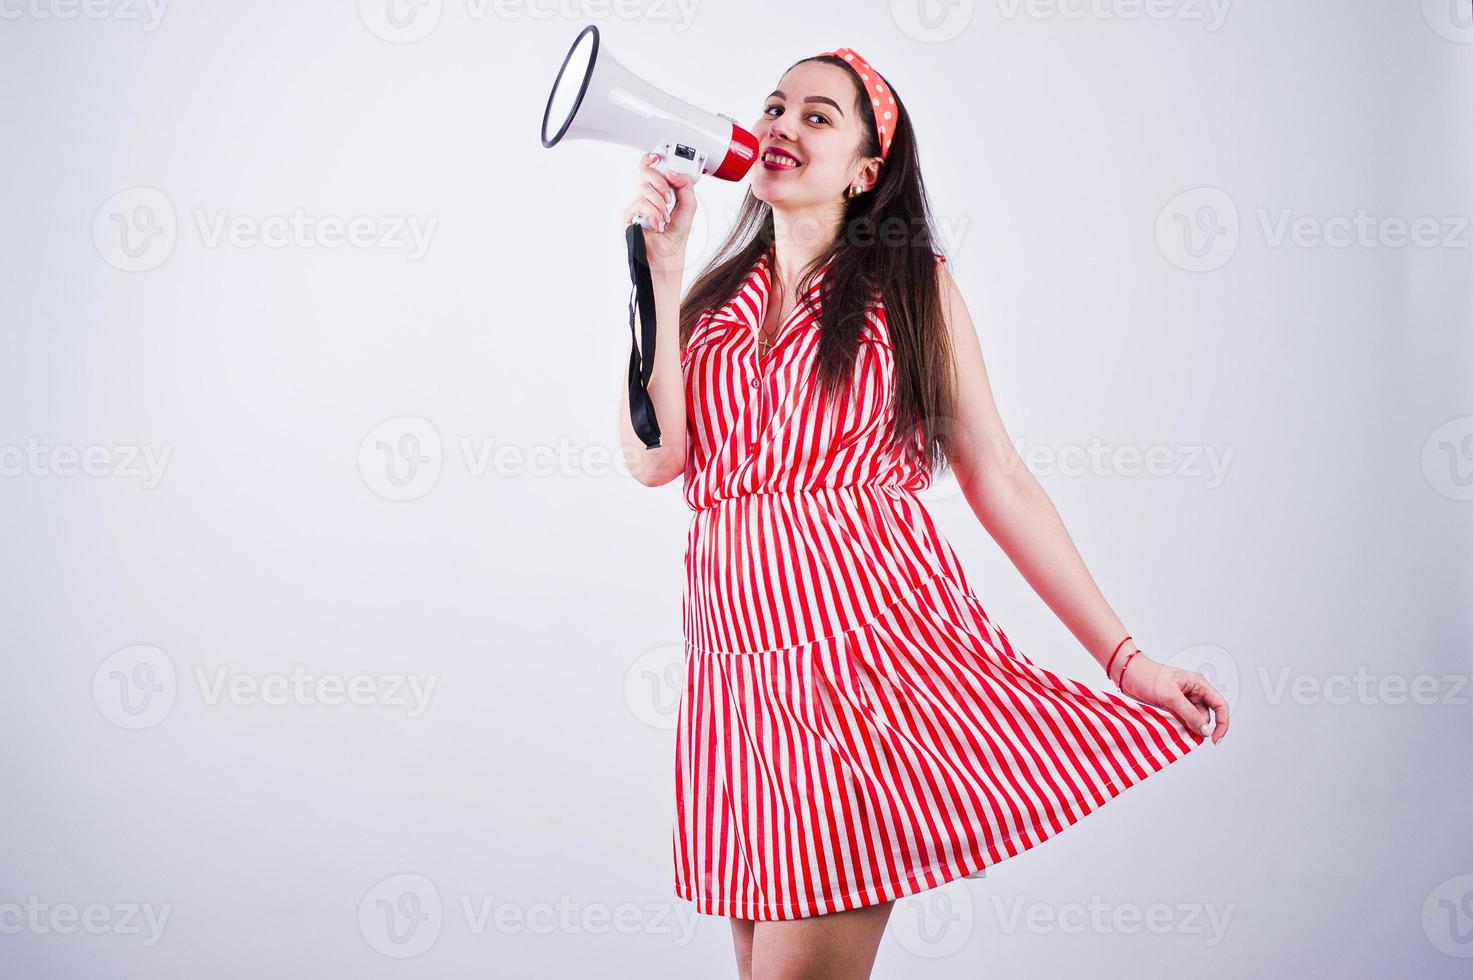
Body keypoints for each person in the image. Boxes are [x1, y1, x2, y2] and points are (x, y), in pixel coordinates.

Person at [618, 48, 1231, 980]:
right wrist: (659, 268)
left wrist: (1125, 658)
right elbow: (655, 458)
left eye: (818, 117)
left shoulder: (911, 289)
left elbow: (999, 476)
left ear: (868, 172)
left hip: (862, 672)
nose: (781, 124)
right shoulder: (710, 300)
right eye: (775, 106)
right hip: (735, 685)